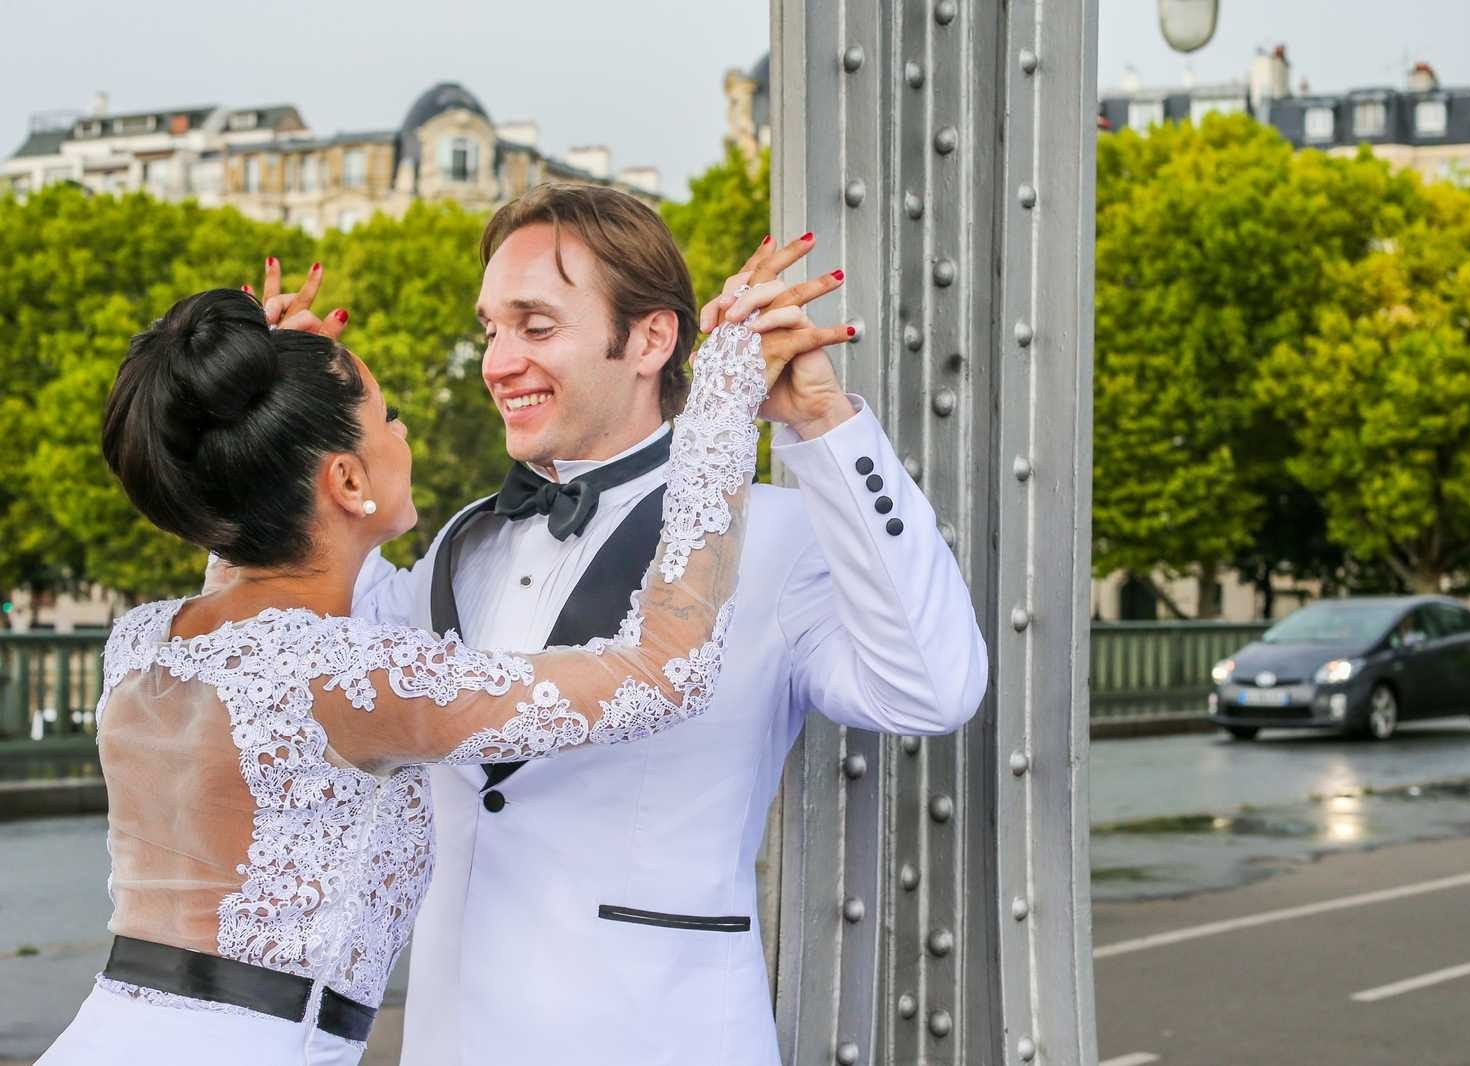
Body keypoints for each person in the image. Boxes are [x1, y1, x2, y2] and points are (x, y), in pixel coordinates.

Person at [37, 263, 845, 1065]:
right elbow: (666, 674)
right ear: (348, 480)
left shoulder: (144, 643)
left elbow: (247, 582)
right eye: (388, 418)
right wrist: (720, 418)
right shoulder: (362, 679)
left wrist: (255, 435)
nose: (404, 435)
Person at [339, 185, 989, 1065]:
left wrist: (822, 426)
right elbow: (330, 643)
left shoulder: (775, 535)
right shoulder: (465, 540)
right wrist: (274, 438)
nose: (497, 362)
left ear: (650, 339)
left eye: (535, 327)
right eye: (491, 328)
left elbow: (933, 686)